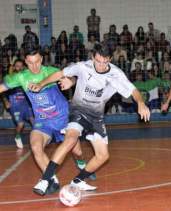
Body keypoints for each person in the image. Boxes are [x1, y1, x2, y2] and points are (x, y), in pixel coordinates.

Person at [30, 43, 150, 195]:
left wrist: (140, 102)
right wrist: (41, 84)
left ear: (110, 59)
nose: (101, 65)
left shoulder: (116, 73)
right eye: (98, 61)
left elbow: (133, 90)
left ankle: (78, 181)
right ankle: (45, 179)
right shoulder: (83, 66)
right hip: (78, 110)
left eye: (105, 62)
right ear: (93, 57)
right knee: (71, 139)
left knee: (103, 156)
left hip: (97, 117)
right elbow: (60, 73)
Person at [0, 46, 84, 194]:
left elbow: (71, 76)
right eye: (31, 62)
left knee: (77, 151)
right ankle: (52, 180)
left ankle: (82, 164)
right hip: (43, 121)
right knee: (35, 146)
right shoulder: (21, 77)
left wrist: (71, 81)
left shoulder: (50, 71)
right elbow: (2, 87)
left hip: (63, 119)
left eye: (37, 61)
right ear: (26, 61)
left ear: (42, 59)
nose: (34, 66)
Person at [2, 59, 34, 149]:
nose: (19, 67)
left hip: (26, 104)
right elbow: (2, 91)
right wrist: (5, 101)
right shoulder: (9, 77)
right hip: (15, 105)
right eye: (17, 66)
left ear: (23, 66)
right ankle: (17, 137)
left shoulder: (26, 76)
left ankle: (36, 140)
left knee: (34, 122)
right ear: (14, 67)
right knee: (21, 125)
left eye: (21, 66)